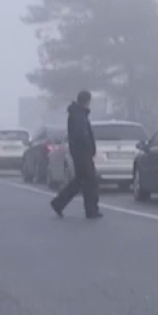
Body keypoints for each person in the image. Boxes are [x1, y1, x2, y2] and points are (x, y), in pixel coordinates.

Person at [50, 90, 102, 219]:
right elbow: (81, 134)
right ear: (87, 101)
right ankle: (91, 210)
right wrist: (88, 149)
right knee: (91, 181)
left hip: (80, 152)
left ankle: (58, 203)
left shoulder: (78, 114)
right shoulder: (78, 115)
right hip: (82, 153)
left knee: (79, 181)